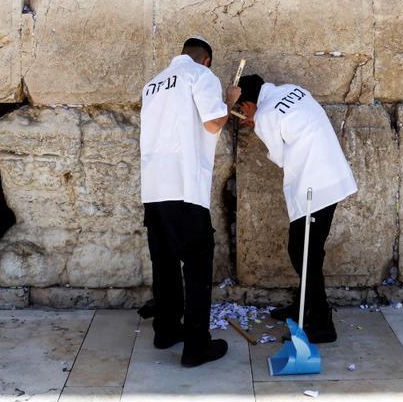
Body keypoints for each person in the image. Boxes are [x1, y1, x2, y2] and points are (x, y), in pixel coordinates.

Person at [140, 36, 240, 367]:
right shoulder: (201, 76)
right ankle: (196, 345)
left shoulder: (152, 84)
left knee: (164, 262)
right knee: (197, 264)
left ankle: (166, 330)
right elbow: (212, 122)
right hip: (185, 187)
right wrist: (228, 101)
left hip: (153, 188)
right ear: (206, 60)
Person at [234, 74, 357, 344]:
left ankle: (322, 322)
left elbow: (279, 157)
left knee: (302, 253)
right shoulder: (293, 89)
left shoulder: (264, 115)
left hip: (313, 185)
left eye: (242, 110)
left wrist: (257, 125)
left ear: (248, 104)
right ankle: (303, 307)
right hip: (333, 177)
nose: (243, 115)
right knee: (309, 250)